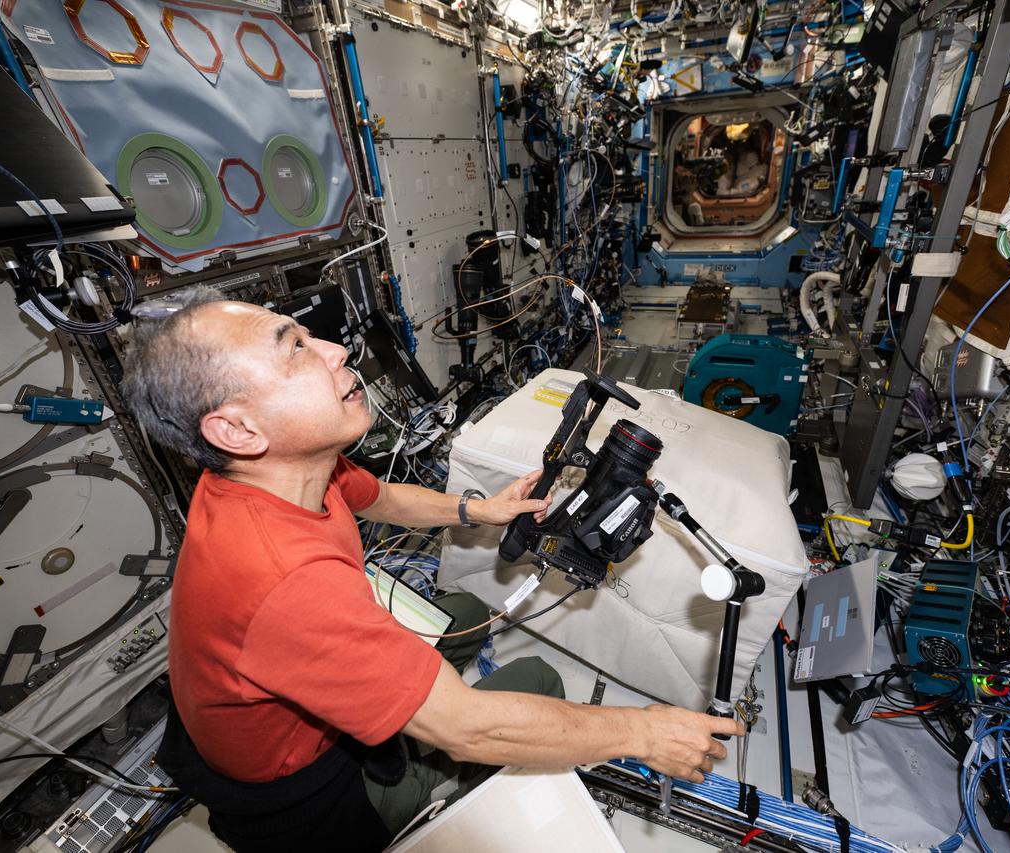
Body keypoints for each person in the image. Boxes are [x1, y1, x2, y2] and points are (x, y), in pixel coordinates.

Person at [121, 287, 742, 851]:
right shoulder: (284, 581)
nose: (337, 350)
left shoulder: (285, 471)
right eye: (295, 351)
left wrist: (481, 509)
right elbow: (469, 730)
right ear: (235, 428)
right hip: (310, 792)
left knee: (466, 617)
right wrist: (643, 732)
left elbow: (382, 499)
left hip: (266, 704)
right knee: (536, 677)